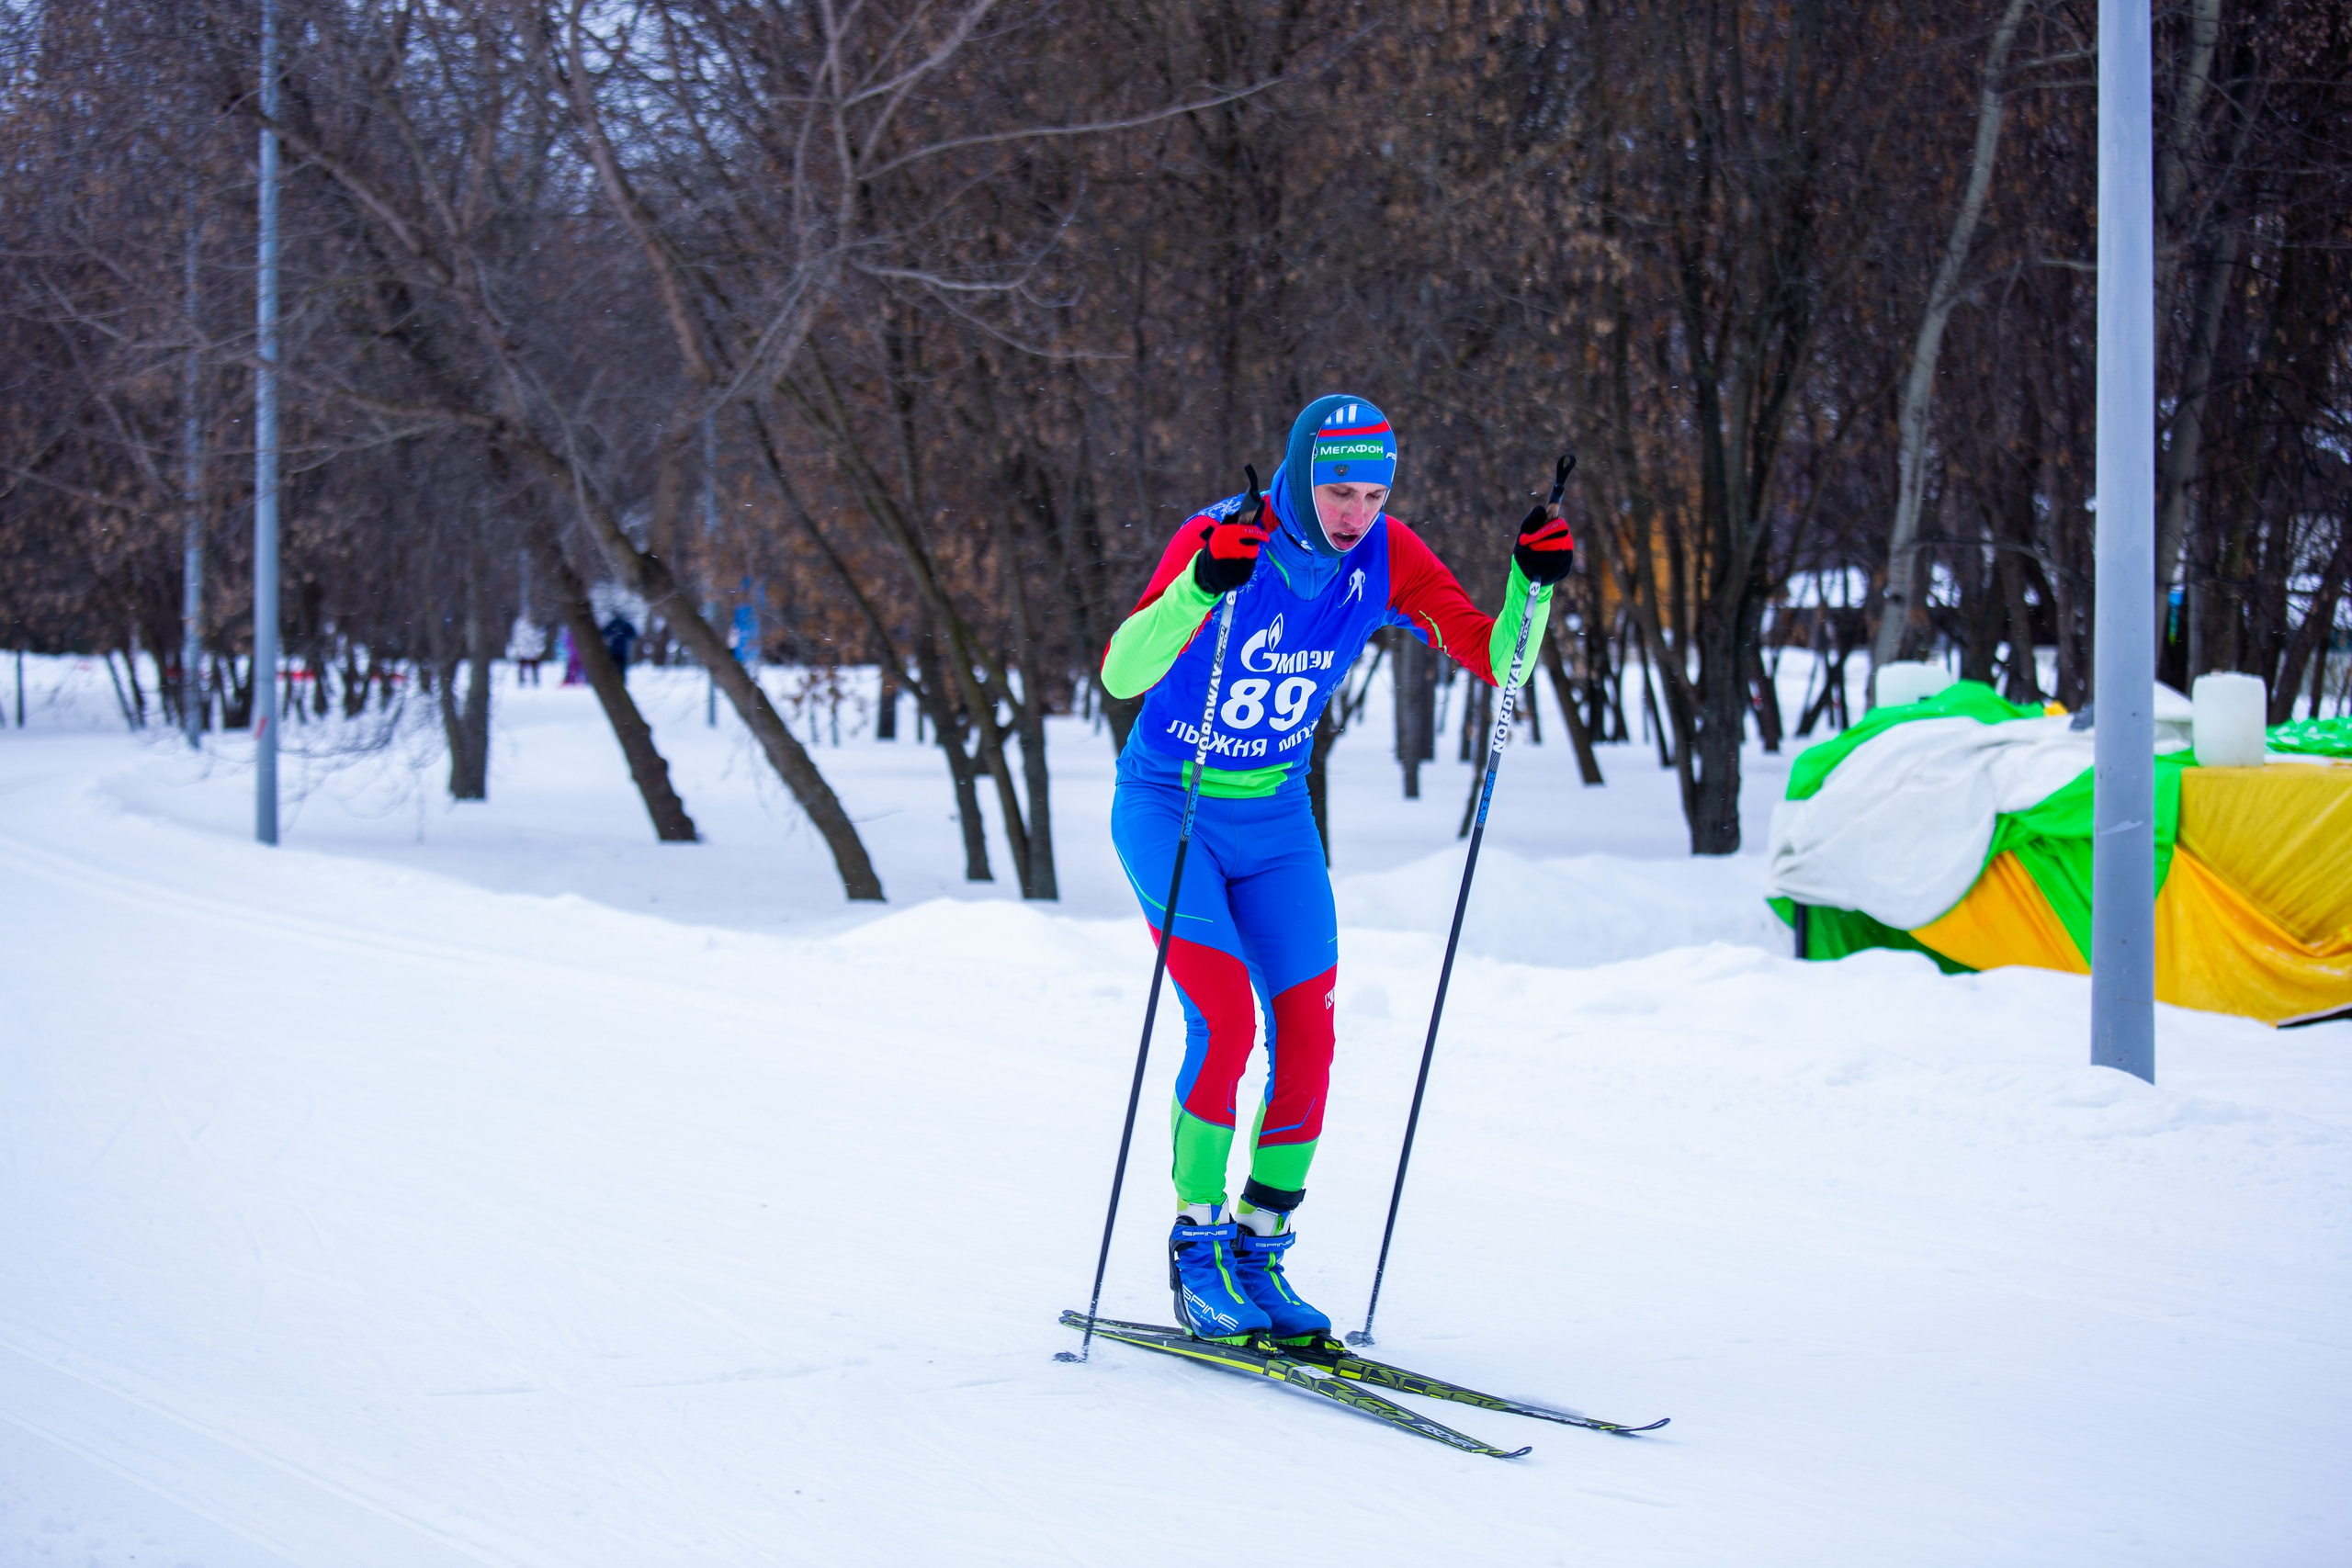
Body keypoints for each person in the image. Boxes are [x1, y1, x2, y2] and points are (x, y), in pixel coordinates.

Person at [1100, 394, 1576, 1346]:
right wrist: (1199, 586)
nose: (1354, 511)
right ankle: (1195, 1243)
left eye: (1372, 491)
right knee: (1226, 1018)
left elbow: (1502, 660)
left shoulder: (1386, 556)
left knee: (1309, 1034)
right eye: (1335, 488)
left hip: (1276, 816)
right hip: (1170, 804)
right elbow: (1121, 671)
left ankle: (1259, 1245)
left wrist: (1535, 584)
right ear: (1295, 472)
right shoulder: (1219, 535)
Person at [506, 616, 547, 685]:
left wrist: (538, 649)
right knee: (524, 667)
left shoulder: (534, 625)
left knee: (531, 668)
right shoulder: (521, 625)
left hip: (530, 651)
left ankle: (533, 682)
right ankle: (523, 682)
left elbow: (539, 638)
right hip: (525, 651)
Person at [600, 614, 639, 681]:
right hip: (623, 651)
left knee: (613, 668)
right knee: (622, 668)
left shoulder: (612, 624)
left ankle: (614, 680)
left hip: (613, 650)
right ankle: (621, 680)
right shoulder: (625, 625)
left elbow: (604, 633)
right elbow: (633, 635)